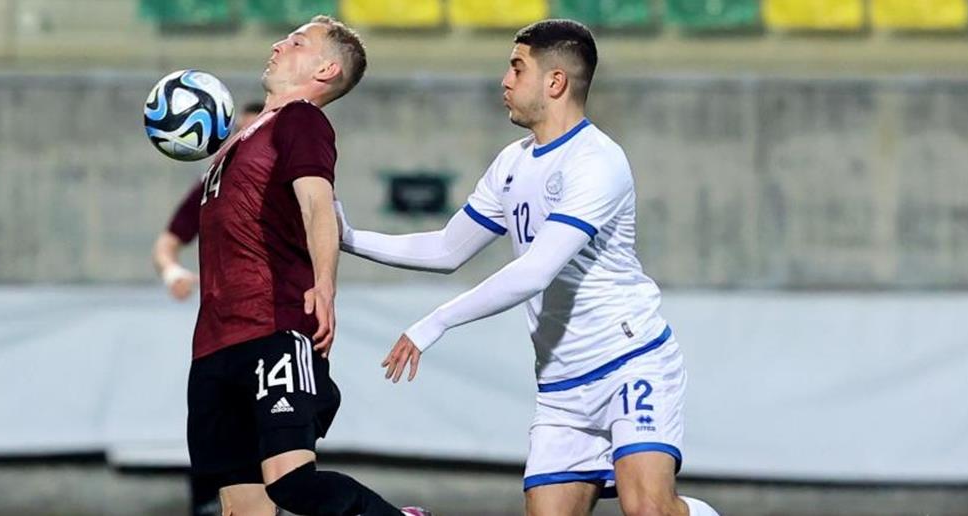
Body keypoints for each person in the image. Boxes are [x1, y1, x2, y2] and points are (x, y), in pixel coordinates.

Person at [336, 19, 718, 516]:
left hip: (629, 362)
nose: (505, 80)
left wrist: (436, 322)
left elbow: (535, 272)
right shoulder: (511, 163)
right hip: (560, 387)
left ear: (555, 82)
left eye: (517, 68)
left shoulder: (596, 161)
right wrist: (347, 238)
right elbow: (447, 248)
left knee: (646, 508)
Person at [185, 16, 428, 516]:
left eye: (297, 42)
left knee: (292, 482)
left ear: (326, 69)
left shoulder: (300, 120)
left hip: (271, 329)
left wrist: (324, 285)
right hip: (213, 344)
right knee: (241, 509)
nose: (278, 44)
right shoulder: (240, 140)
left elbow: (318, 204)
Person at [154, 101, 267, 302]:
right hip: (229, 309)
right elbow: (166, 245)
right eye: (240, 133)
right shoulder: (212, 185)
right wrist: (173, 274)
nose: (244, 142)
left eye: (255, 135)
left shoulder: (293, 186)